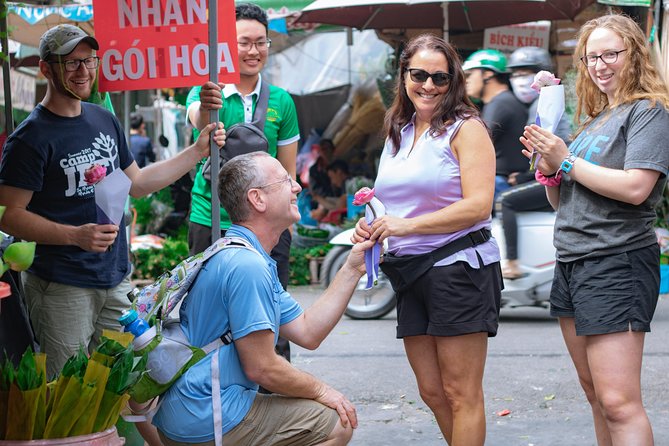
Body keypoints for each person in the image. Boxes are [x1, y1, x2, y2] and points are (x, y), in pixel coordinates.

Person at [0, 24, 225, 379]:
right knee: (67, 391)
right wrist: (74, 235)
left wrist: (196, 151)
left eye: (89, 60)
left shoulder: (103, 119)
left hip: (115, 280)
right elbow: (10, 216)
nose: (83, 71)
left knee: (120, 383)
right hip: (61, 285)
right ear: (46, 68)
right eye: (70, 63)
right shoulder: (29, 138)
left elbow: (136, 183)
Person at [153, 151, 373, 446]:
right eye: (285, 180)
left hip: (194, 409)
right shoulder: (247, 266)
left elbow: (307, 331)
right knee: (334, 423)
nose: (297, 187)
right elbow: (262, 367)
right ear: (257, 199)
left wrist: (353, 268)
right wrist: (323, 391)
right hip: (208, 415)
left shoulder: (245, 255)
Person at [521, 14, 669, 445]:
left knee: (620, 403)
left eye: (611, 54)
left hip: (616, 260)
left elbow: (637, 188)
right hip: (572, 261)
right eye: (591, 58)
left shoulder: (649, 112)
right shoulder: (595, 119)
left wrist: (566, 160)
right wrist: (548, 169)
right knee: (597, 397)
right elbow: (563, 201)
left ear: (634, 55)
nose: (600, 65)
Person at [352, 34, 502, 445]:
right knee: (432, 392)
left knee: (460, 392)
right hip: (409, 271)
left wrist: (406, 226)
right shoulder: (397, 130)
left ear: (453, 81)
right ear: (403, 76)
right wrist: (373, 222)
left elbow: (478, 207)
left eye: (441, 77)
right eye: (419, 75)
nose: (429, 86)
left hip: (458, 268)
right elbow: (391, 200)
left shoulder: (465, 129)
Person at [186, 1, 298, 367]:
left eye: (261, 42)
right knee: (209, 308)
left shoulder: (282, 101)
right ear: (224, 48)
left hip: (267, 225)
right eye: (244, 42)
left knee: (272, 309)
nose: (254, 51)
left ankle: (276, 389)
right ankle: (213, 388)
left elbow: (288, 171)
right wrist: (208, 103)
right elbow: (197, 118)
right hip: (210, 218)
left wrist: (285, 222)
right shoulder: (207, 93)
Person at [498, 46, 572, 279]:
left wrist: (525, 177)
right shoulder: (541, 105)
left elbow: (549, 154)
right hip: (556, 174)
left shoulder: (548, 106)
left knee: (505, 201)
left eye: (526, 73)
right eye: (515, 74)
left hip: (560, 177)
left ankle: (511, 263)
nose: (520, 80)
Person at [463, 49, 528, 202]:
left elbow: (474, 146)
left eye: (470, 74)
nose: (466, 80)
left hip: (501, 183)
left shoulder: (500, 103)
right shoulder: (499, 102)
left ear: (488, 74)